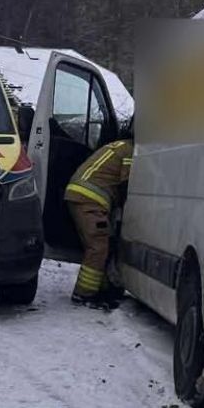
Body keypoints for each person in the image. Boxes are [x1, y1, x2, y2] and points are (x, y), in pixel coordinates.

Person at [64, 121, 133, 306]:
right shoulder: (131, 151)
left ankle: (102, 289)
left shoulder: (119, 145)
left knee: (103, 243)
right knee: (98, 246)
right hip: (90, 198)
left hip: (81, 194)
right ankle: (84, 294)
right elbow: (128, 185)